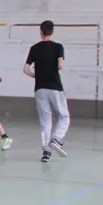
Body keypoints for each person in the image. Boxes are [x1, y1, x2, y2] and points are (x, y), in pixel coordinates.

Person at [23, 20, 69, 162]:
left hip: (40, 88)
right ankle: (56, 139)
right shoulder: (58, 47)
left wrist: (37, 75)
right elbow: (61, 65)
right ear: (52, 31)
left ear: (41, 31)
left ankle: (46, 153)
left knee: (45, 121)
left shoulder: (34, 48)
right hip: (55, 86)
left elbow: (26, 69)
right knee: (64, 116)